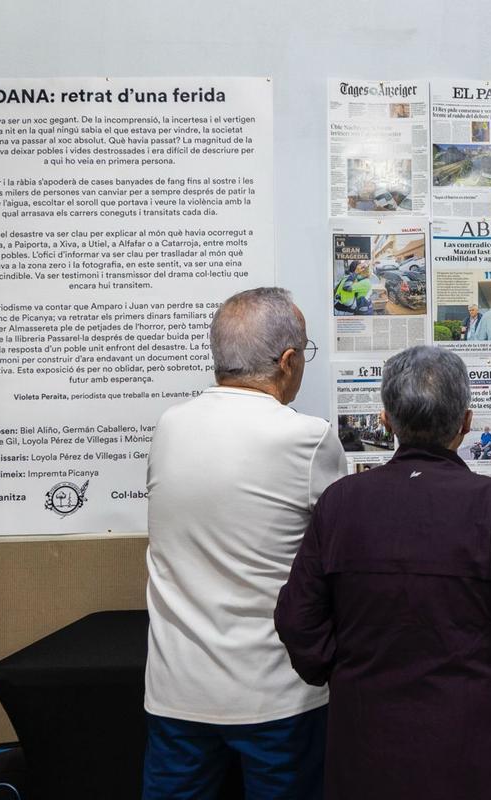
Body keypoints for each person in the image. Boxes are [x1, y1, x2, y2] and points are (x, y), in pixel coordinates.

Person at [276, 346, 491, 800]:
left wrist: (345, 674)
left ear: (386, 421)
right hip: (482, 752)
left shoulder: (341, 503)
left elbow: (297, 620)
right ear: (466, 423)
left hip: (367, 751)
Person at [143, 287, 347, 799]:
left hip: (177, 690)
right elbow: (341, 552)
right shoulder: (307, 437)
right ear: (287, 361)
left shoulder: (170, 426)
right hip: (276, 694)